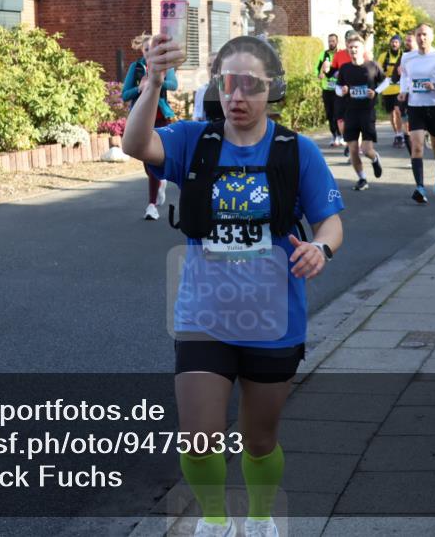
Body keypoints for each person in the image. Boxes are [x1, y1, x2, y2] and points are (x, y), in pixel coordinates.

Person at [123, 33, 343, 537]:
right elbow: (136, 144)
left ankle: (262, 517)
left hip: (273, 320)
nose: (238, 96)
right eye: (229, 84)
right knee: (198, 438)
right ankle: (215, 521)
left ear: (272, 90)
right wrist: (153, 81)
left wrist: (321, 249)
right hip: (204, 316)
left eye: (252, 85)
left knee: (259, 439)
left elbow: (330, 222)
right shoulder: (193, 140)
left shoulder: (296, 151)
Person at [122, 33, 178, 220]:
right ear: (142, 50)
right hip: (143, 119)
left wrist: (156, 82)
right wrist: (139, 88)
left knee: (155, 161)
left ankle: (151, 205)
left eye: (152, 49)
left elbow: (173, 84)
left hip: (161, 117)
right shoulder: (135, 68)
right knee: (148, 165)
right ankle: (159, 182)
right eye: (146, 50)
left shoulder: (165, 66)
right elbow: (125, 94)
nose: (149, 53)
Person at [398, 24, 435, 203]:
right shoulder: (407, 57)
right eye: (419, 35)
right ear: (415, 37)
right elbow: (405, 77)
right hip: (416, 107)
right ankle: (420, 187)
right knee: (416, 147)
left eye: (425, 35)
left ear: (431, 37)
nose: (421, 38)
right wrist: (404, 90)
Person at [336, 34, 384, 190]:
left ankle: (375, 158)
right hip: (350, 112)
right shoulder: (345, 68)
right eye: (350, 47)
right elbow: (337, 88)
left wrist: (375, 91)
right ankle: (362, 179)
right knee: (353, 149)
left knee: (366, 149)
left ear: (362, 49)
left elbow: (386, 82)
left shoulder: (372, 66)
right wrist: (341, 91)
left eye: (356, 47)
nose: (353, 50)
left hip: (367, 112)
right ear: (347, 50)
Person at [330, 30, 359, 156]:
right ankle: (348, 140)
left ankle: (354, 146)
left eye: (353, 41)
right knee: (341, 120)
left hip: (357, 92)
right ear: (346, 42)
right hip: (341, 90)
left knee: (357, 121)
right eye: (348, 41)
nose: (350, 44)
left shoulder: (363, 54)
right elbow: (332, 71)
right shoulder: (339, 55)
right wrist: (329, 71)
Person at [379, 35, 405, 148]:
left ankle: (400, 134)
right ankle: (397, 134)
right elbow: (378, 71)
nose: (394, 44)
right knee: (391, 114)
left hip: (399, 88)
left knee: (398, 111)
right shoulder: (384, 56)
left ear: (400, 44)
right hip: (387, 89)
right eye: (393, 42)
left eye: (396, 42)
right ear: (390, 43)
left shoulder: (404, 56)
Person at [316, 34, 342, 146]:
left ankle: (341, 135)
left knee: (338, 113)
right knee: (330, 114)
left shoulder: (340, 54)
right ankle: (334, 135)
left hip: (338, 89)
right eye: (329, 41)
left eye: (333, 41)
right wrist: (319, 74)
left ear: (337, 41)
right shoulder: (323, 54)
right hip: (327, 89)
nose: (331, 43)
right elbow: (316, 69)